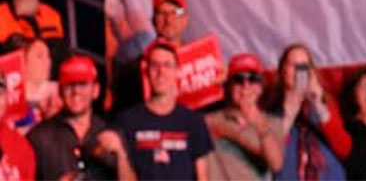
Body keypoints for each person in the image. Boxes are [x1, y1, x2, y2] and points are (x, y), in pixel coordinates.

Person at [112, 41, 214, 180]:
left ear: (177, 71)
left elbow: (203, 177)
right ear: (146, 71)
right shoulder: (127, 121)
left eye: (167, 65)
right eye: (155, 65)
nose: (161, 72)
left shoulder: (193, 121)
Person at [27, 54, 135, 180]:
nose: (76, 91)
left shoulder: (111, 133)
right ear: (60, 90)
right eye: (69, 85)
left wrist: (121, 156)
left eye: (82, 84)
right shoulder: (39, 137)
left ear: (96, 90)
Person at [264, 44, 348, 179]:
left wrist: (319, 105)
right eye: (294, 66)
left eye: (304, 66)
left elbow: (344, 149)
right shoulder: (270, 108)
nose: (299, 72)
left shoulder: (325, 105)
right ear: (283, 71)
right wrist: (289, 112)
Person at [205, 54, 284, 181]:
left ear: (261, 86)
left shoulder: (273, 123)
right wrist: (210, 84)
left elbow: (276, 165)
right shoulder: (209, 120)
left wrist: (261, 127)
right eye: (238, 79)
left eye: (253, 79)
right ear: (229, 86)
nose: (246, 85)